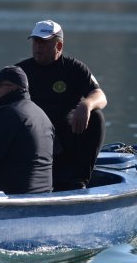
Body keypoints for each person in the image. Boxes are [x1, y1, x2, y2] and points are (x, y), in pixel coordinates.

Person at [17, 20, 107, 191]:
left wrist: (86, 105)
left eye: (43, 42)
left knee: (96, 116)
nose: (38, 46)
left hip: (66, 138)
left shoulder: (75, 69)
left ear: (58, 45)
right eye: (35, 41)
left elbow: (100, 96)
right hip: (32, 140)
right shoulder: (21, 71)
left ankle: (79, 180)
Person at [0, 66, 54, 195]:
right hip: (43, 193)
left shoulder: (6, 113)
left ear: (13, 87)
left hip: (12, 195)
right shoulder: (42, 115)